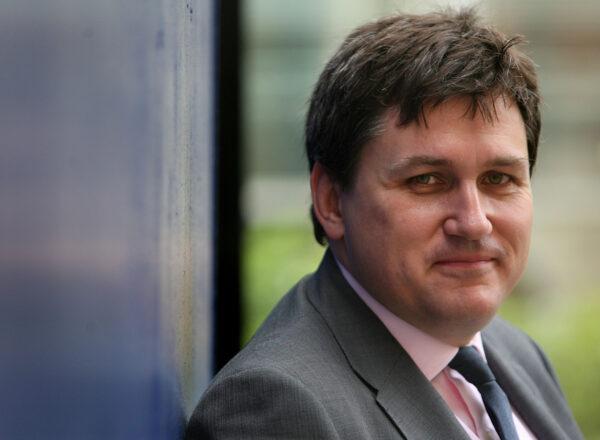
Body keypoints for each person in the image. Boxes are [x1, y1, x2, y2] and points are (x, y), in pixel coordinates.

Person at [187, 8, 583, 440]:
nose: (473, 222)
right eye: (426, 180)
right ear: (331, 200)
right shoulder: (275, 408)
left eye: (498, 179)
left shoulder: (514, 354)